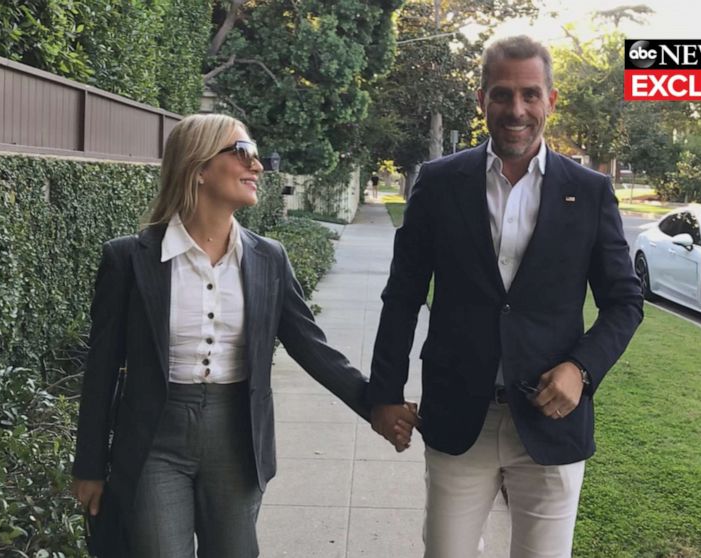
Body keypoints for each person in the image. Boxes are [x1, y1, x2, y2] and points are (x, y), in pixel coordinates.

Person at [71, 113, 417, 557]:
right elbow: (99, 370)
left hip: (236, 441)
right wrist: (90, 466)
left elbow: (311, 347)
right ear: (198, 167)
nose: (258, 167)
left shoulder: (267, 259)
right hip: (153, 442)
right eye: (244, 153)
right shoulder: (129, 259)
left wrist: (376, 406)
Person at [367, 36, 644, 558]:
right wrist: (384, 392)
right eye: (501, 94)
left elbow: (625, 302)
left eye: (530, 94)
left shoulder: (588, 191)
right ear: (481, 100)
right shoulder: (439, 182)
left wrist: (580, 370)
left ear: (551, 100)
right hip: (459, 415)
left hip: (551, 420)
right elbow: (402, 294)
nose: (516, 110)